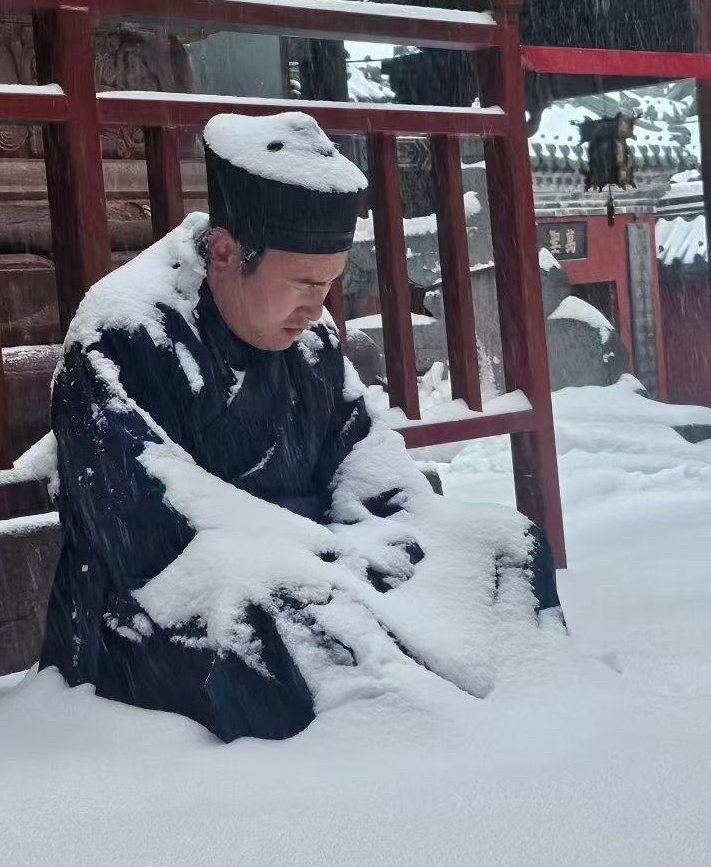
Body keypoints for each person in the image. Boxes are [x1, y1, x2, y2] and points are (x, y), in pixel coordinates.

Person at [40, 110, 563, 741]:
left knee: (506, 547)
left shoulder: (311, 340)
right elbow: (150, 527)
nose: (318, 307)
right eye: (304, 283)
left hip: (323, 561)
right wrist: (326, 557)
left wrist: (391, 536)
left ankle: (535, 719)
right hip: (155, 614)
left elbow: (366, 461)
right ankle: (399, 752)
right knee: (298, 612)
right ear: (227, 253)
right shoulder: (126, 333)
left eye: (330, 285)